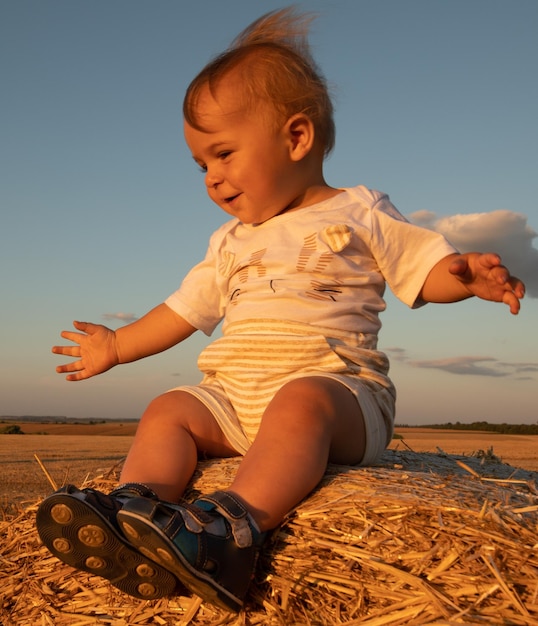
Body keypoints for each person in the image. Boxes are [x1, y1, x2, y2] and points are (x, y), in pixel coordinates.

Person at [36, 7, 525, 613]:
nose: (212, 178)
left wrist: (462, 277)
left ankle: (230, 532)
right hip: (236, 400)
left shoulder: (358, 210)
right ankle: (138, 513)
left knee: (300, 401)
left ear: (296, 138)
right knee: (170, 407)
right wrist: (116, 347)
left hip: (338, 397)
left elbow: (421, 270)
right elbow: (182, 312)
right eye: (201, 166)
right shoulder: (228, 243)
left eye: (223, 154)